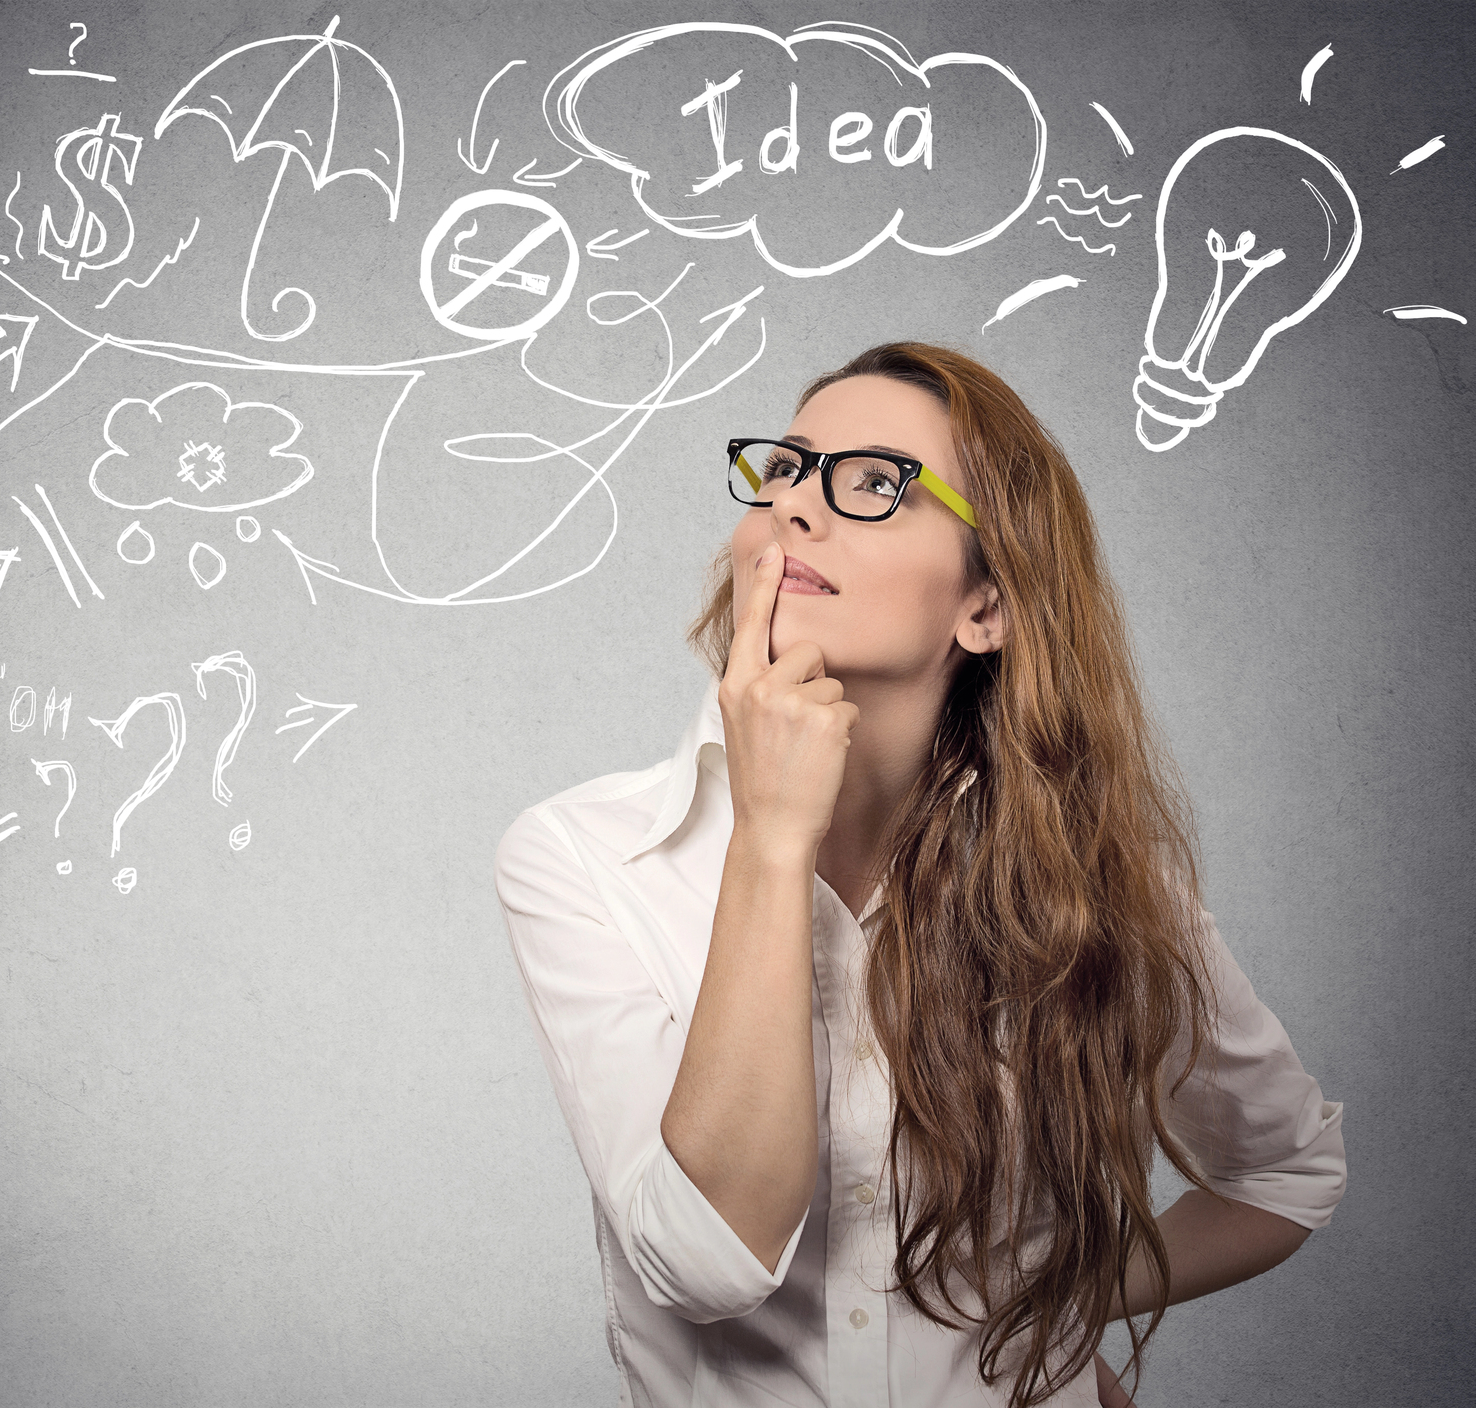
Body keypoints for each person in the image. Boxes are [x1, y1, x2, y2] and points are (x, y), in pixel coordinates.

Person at [493, 343, 1345, 1408]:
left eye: (874, 483)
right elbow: (706, 1262)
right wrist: (770, 838)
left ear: (981, 607)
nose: (799, 505)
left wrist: (1053, 1308)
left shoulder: (1096, 891)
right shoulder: (585, 855)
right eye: (787, 470)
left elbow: (1285, 1173)